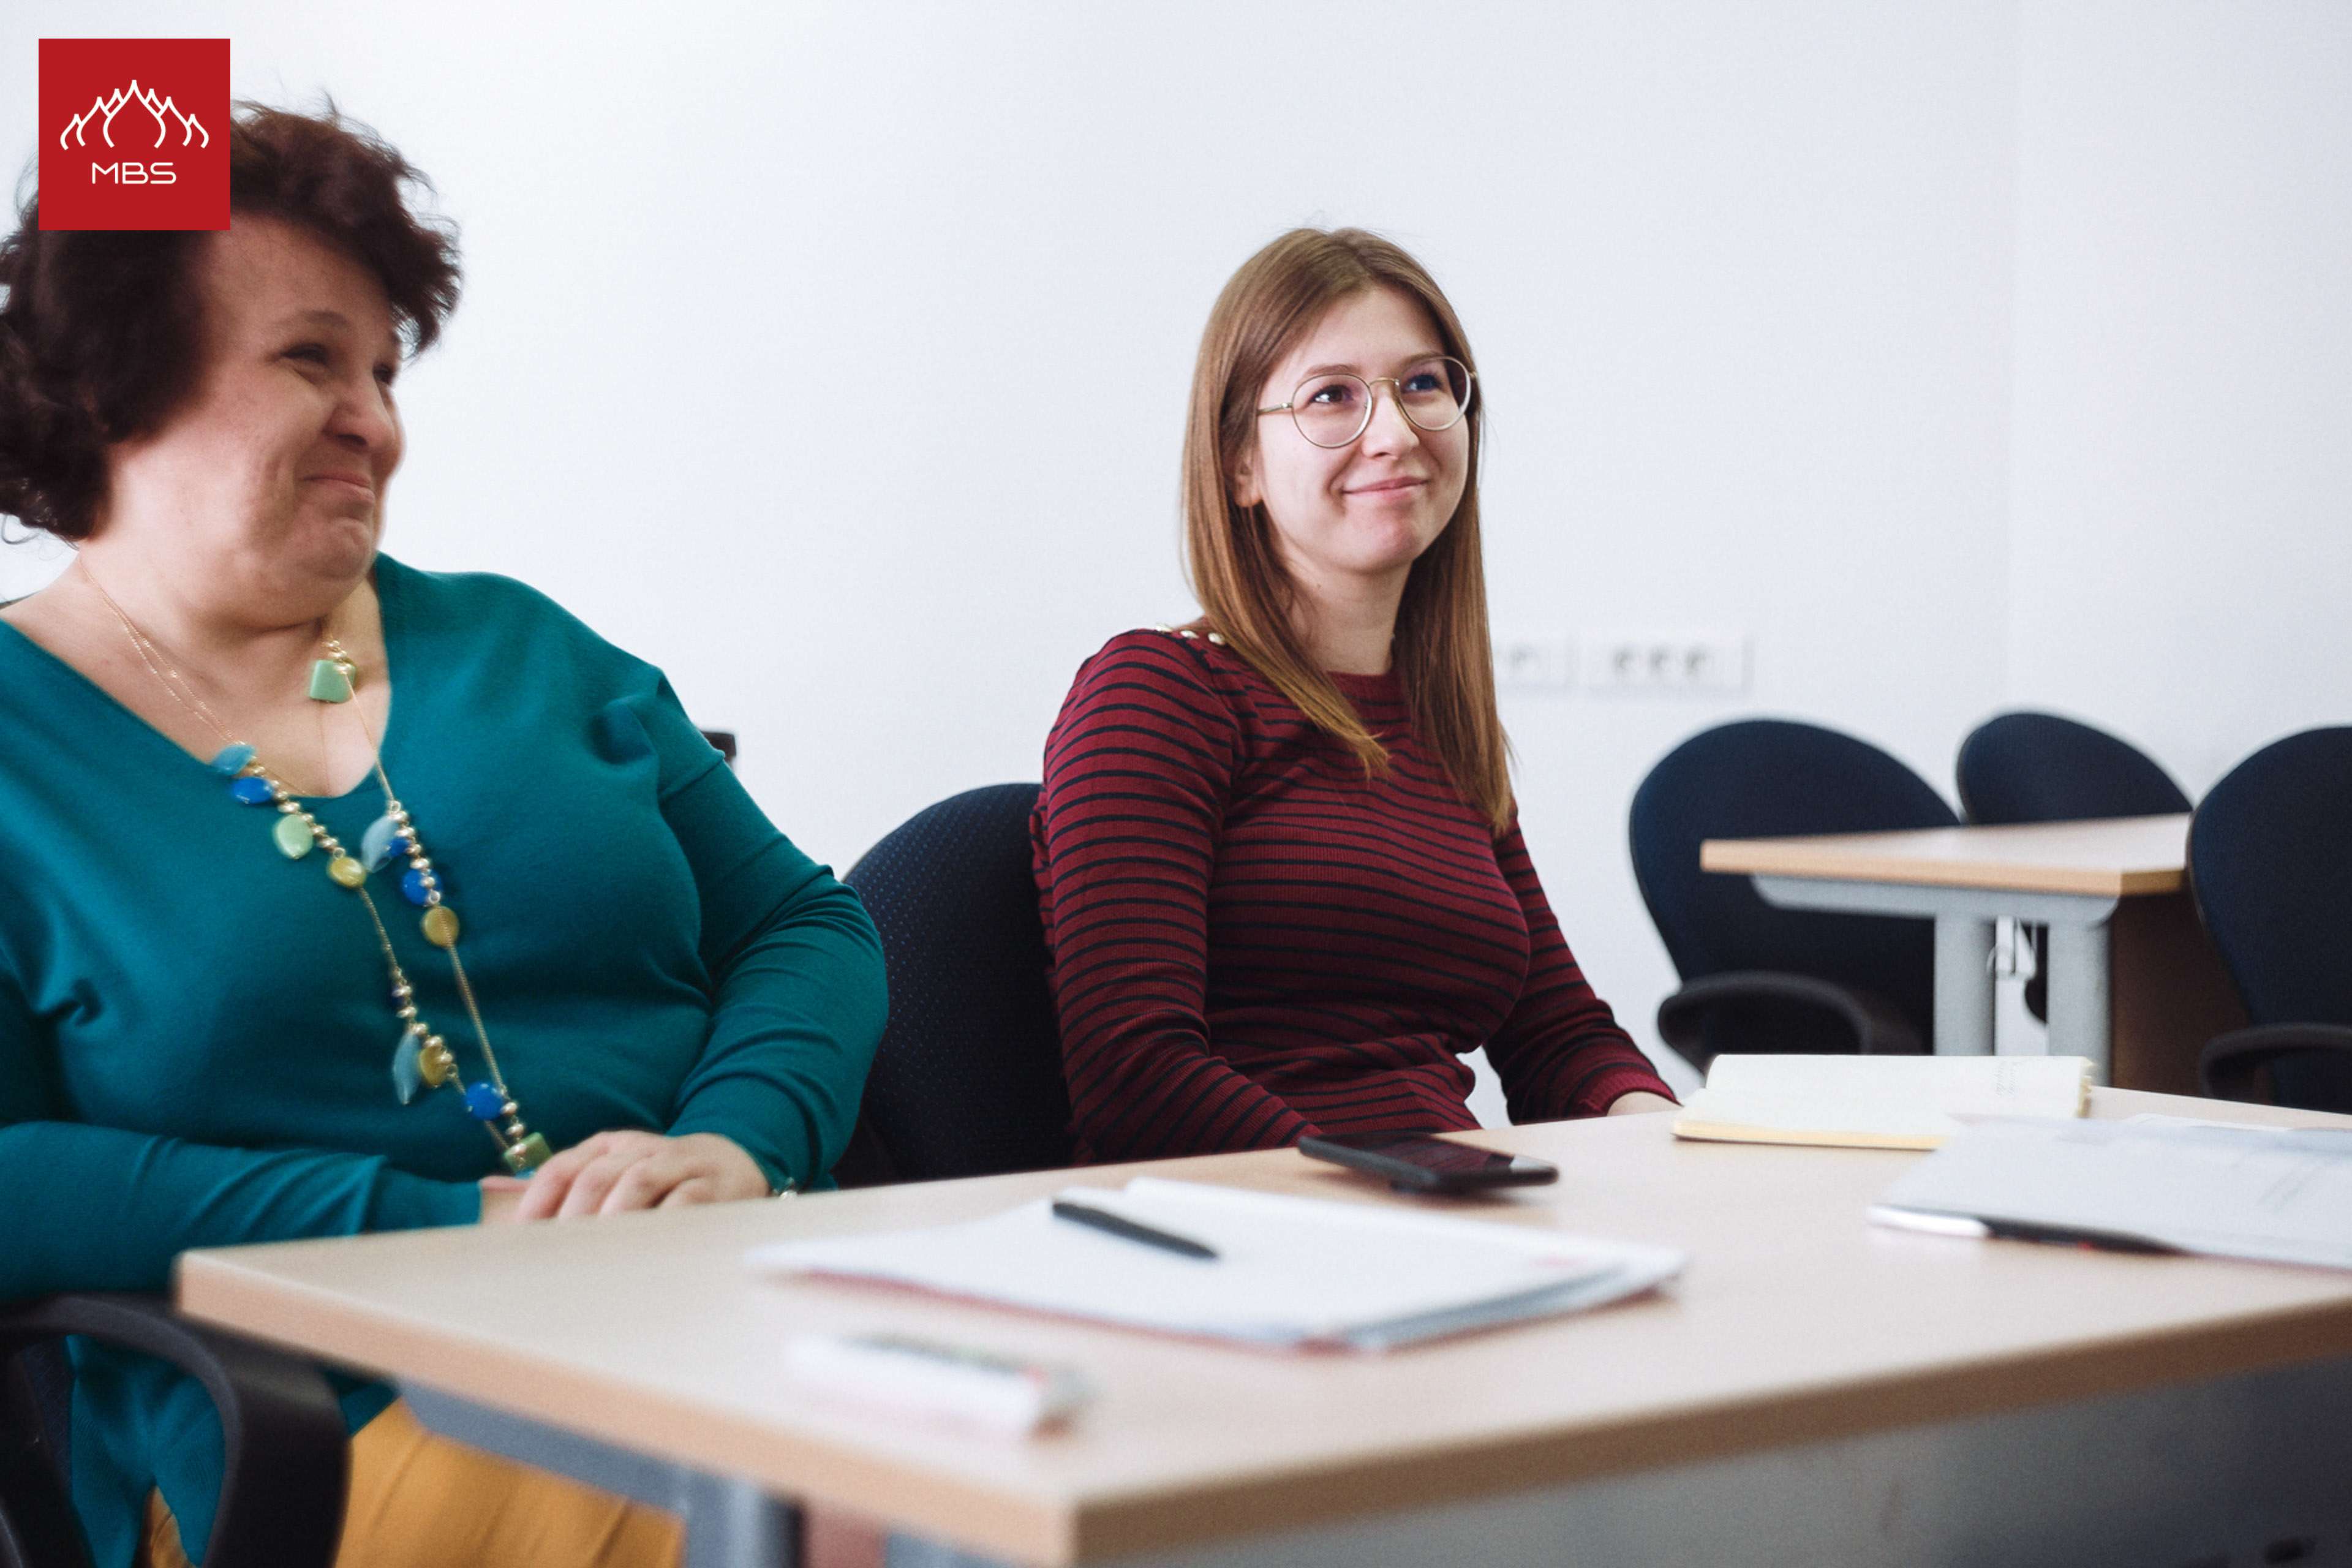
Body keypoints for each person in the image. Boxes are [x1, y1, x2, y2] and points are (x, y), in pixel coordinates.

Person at [0, 107, 886, 1568]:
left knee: (1176, 1471)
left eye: (385, 371)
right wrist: (445, 1218)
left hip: (743, 1302)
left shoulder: (527, 646)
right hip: (339, 1409)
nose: (377, 419)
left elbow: (805, 923)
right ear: (109, 381)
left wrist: (732, 1141)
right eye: (312, 358)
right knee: (910, 1529)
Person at [1031, 227, 1676, 1163]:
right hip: (1256, 1215)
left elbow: (1560, 1038)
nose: (1395, 433)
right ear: (1240, 465)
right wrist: (1390, 1189)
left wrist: (1677, 1144)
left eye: (1422, 384)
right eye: (1332, 395)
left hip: (1436, 1202)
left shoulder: (1442, 728)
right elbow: (1134, 1077)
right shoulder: (1159, 695)